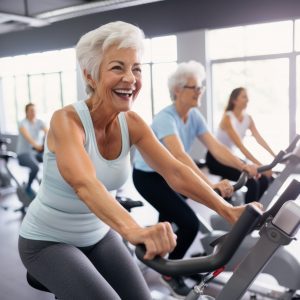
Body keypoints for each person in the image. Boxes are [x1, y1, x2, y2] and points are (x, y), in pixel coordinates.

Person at [18, 22, 261, 300]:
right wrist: (135, 230)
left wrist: (228, 211)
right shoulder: (67, 120)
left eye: (136, 68)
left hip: (98, 235)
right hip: (47, 241)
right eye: (117, 67)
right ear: (91, 76)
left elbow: (175, 170)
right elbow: (84, 184)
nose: (131, 78)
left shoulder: (132, 123)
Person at [132, 60, 258, 297]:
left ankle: (170, 263)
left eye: (200, 87)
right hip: (149, 178)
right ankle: (170, 272)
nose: (199, 92)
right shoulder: (165, 119)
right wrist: (209, 185)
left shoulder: (194, 115)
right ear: (178, 91)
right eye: (194, 87)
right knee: (188, 223)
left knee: (170, 221)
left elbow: (216, 147)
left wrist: (244, 165)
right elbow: (178, 155)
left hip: (169, 175)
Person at [206, 87, 276, 204]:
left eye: (247, 97)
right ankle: (248, 218)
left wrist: (275, 156)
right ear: (234, 100)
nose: (247, 100)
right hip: (216, 158)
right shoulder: (227, 118)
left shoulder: (248, 118)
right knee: (252, 182)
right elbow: (240, 146)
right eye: (244, 97)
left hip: (231, 158)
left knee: (264, 180)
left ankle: (257, 212)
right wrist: (261, 166)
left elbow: (259, 139)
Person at [16, 103, 47, 198]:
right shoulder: (22, 123)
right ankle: (28, 187)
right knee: (36, 167)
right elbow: (28, 138)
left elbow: (49, 132)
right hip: (23, 154)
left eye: (35, 110)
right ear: (26, 112)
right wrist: (37, 146)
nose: (33, 112)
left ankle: (46, 185)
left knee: (51, 161)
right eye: (31, 111)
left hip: (35, 153)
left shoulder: (39, 122)